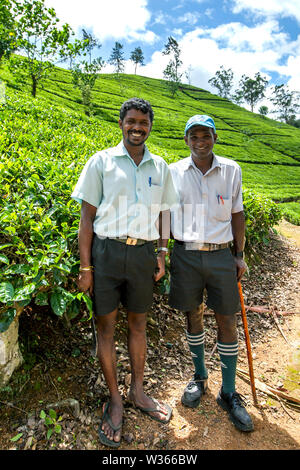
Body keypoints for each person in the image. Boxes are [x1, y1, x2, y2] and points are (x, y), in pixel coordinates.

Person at [71, 98, 178, 447]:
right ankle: (115, 399)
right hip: (107, 252)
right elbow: (86, 219)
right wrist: (86, 266)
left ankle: (137, 391)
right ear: (121, 123)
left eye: (143, 123)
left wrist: (162, 252)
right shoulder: (101, 161)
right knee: (105, 327)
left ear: (150, 126)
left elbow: (165, 214)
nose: (137, 128)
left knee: (138, 324)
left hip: (144, 253)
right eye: (131, 121)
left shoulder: (160, 166)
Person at [168, 114, 254, 432]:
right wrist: (162, 252)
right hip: (185, 254)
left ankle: (228, 391)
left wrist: (240, 255)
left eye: (206, 135)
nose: (200, 141)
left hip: (221, 256)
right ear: (186, 139)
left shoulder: (231, 170)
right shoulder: (174, 171)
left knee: (226, 318)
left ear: (215, 138)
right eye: (194, 136)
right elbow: (165, 212)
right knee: (192, 316)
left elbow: (237, 214)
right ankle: (200, 377)